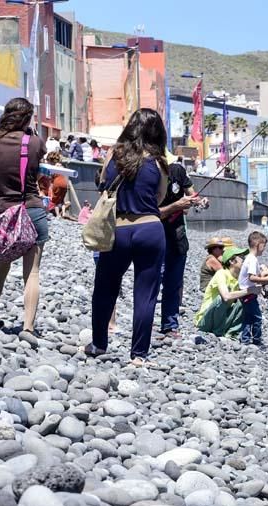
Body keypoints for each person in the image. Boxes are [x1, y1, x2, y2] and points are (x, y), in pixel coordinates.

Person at [85, 108, 170, 366]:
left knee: (105, 287)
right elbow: (160, 197)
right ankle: (139, 355)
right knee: (145, 294)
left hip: (118, 229)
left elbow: (103, 185)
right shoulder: (158, 161)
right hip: (150, 229)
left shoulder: (113, 155)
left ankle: (99, 343)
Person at [0, 97, 49, 347]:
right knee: (32, 272)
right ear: (28, 118)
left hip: (5, 213)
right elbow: (38, 161)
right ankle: (28, 326)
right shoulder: (33, 142)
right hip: (31, 210)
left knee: (1, 266)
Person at [158, 151, 204, 339]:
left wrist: (199, 202)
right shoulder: (148, 176)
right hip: (155, 236)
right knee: (153, 280)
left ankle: (170, 325)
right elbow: (150, 212)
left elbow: (193, 195)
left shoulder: (178, 170)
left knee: (173, 281)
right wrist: (177, 206)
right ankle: (144, 324)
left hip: (177, 237)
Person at [238, 230, 268, 346]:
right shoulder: (252, 260)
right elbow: (252, 278)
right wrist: (266, 281)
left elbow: (258, 278)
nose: (264, 249)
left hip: (246, 294)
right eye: (264, 246)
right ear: (258, 245)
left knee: (248, 318)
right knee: (257, 318)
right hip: (248, 294)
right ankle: (257, 340)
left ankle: (245, 339)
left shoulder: (249, 258)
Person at [195, 245, 249, 337]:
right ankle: (218, 333)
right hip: (206, 321)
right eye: (241, 258)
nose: (244, 260)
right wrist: (249, 291)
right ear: (232, 261)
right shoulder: (222, 273)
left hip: (222, 318)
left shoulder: (238, 279)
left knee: (244, 301)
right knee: (222, 298)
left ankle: (231, 334)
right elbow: (226, 296)